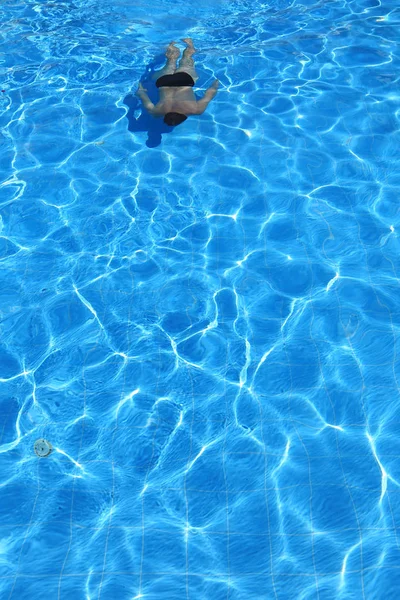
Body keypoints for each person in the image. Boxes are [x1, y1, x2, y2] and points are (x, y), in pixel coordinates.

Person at [136, 39, 219, 126]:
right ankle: (171, 44)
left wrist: (216, 83)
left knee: (187, 60)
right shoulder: (156, 112)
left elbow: (209, 95)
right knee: (170, 62)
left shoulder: (196, 110)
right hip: (164, 82)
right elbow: (141, 94)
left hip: (185, 82)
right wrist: (140, 88)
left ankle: (189, 45)